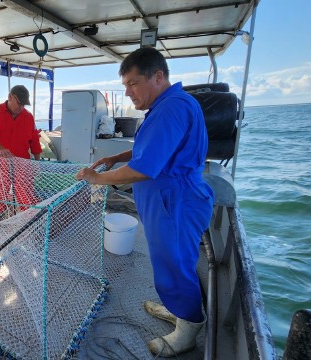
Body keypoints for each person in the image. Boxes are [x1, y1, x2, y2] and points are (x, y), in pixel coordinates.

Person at [76, 47, 214, 357]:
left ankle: (188, 330)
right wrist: (115, 156)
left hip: (175, 203)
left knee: (175, 264)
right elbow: (145, 150)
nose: (128, 93)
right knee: (170, 261)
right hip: (168, 201)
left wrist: (95, 179)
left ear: (158, 77)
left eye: (133, 83)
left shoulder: (171, 109)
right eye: (125, 85)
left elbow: (143, 168)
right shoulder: (166, 105)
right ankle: (179, 310)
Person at [0, 85, 42, 218]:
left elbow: (35, 141)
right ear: (10, 97)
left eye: (24, 105)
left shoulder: (28, 117)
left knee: (25, 193)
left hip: (23, 163)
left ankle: (28, 221)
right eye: (19, 103)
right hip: (1, 162)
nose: (21, 108)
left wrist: (37, 163)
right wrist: (2, 150)